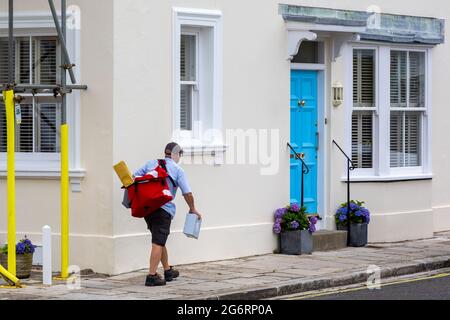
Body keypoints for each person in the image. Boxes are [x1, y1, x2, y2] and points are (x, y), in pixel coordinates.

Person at [134, 142, 202, 286]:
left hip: (148, 209)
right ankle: (151, 276)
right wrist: (192, 208)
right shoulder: (178, 170)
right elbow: (187, 193)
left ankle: (167, 270)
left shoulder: (151, 163)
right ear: (176, 154)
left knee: (159, 238)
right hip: (163, 210)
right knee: (158, 242)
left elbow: (134, 177)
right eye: (179, 155)